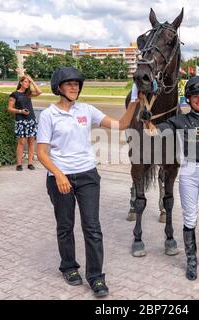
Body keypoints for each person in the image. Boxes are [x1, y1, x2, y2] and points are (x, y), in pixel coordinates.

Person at [36, 67, 139, 297]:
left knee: (92, 227)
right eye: (69, 83)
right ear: (59, 87)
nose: (74, 87)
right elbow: (41, 152)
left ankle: (96, 277)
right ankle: (69, 266)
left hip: (87, 176)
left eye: (77, 84)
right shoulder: (48, 115)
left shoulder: (87, 110)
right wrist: (59, 174)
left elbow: (121, 125)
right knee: (65, 225)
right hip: (59, 178)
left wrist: (134, 101)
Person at [141, 76, 199, 281]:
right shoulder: (178, 121)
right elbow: (152, 132)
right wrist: (146, 120)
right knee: (189, 218)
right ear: (188, 99)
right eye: (196, 96)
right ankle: (191, 261)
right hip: (189, 171)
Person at [7, 75, 42, 171]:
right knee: (21, 142)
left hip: (31, 120)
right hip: (21, 120)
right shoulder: (14, 94)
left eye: (28, 82)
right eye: (26, 81)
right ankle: (19, 164)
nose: (27, 83)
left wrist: (32, 80)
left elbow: (39, 92)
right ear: (21, 82)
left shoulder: (28, 93)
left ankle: (30, 163)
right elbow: (9, 108)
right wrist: (20, 111)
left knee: (31, 142)